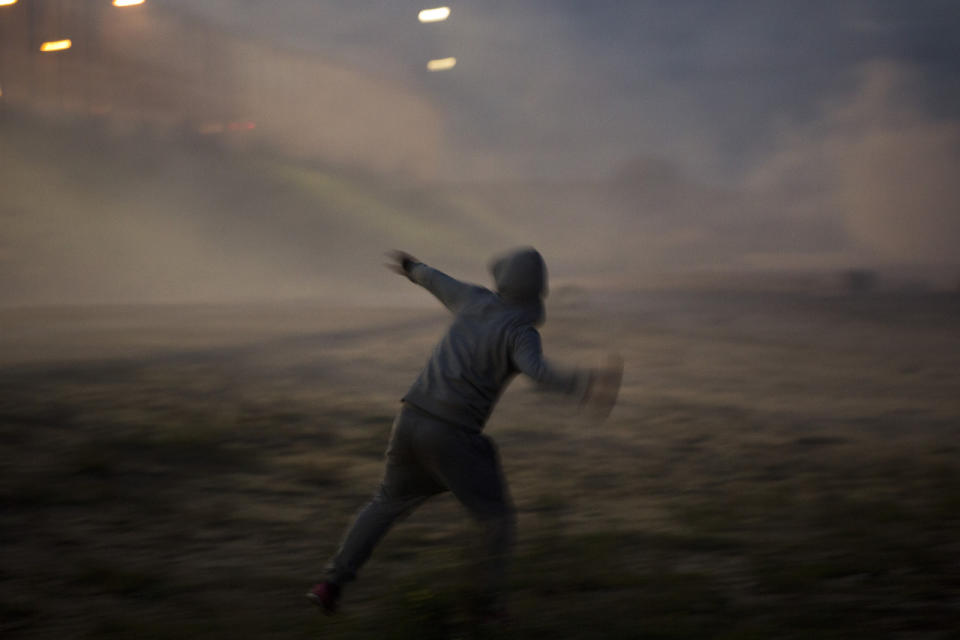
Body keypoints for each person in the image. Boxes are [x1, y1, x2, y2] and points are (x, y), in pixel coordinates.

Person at [307, 247, 621, 617]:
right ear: (537, 291)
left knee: (385, 503)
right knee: (497, 520)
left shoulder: (472, 298)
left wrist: (411, 267)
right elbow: (538, 373)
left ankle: (330, 584)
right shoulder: (520, 332)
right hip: (451, 434)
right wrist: (583, 384)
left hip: (410, 417)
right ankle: (488, 606)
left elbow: (434, 280)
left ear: (503, 279)